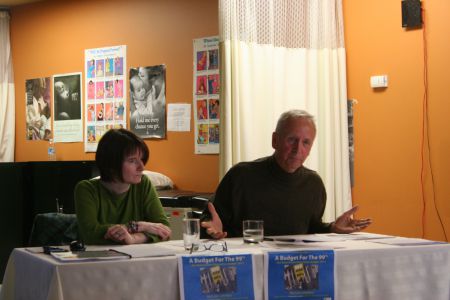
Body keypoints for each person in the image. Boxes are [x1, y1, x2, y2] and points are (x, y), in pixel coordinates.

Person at [201, 109, 372, 239]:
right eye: (292, 140)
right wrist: (212, 231)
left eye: (306, 143)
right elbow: (210, 223)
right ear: (275, 140)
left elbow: (311, 229)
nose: (298, 150)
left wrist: (331, 228)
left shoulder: (313, 184)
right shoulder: (241, 176)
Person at [74, 128, 171, 244]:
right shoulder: (86, 189)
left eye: (141, 159)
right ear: (111, 163)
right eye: (132, 161)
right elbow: (90, 234)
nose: (141, 167)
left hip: (137, 258)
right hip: (96, 259)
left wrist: (132, 239)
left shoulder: (143, 184)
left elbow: (164, 230)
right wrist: (139, 226)